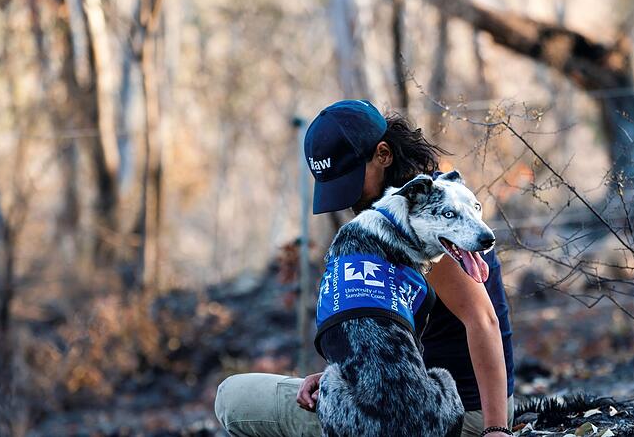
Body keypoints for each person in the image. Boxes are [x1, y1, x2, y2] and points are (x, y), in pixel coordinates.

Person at [215, 100, 515, 437]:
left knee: (233, 398)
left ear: (383, 155)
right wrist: (344, 371)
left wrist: (496, 428)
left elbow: (483, 319)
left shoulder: (423, 223)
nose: (348, 199)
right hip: (408, 395)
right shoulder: (418, 207)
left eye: (351, 180)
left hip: (450, 414)